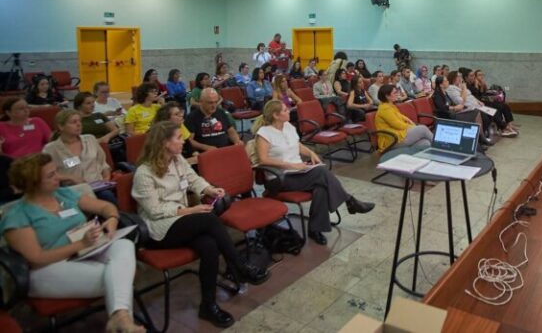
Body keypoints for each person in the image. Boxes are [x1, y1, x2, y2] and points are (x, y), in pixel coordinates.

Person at [132, 121, 269, 328]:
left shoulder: (177, 160)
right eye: (178, 138)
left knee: (209, 245)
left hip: (179, 220)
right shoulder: (144, 173)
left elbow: (194, 180)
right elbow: (154, 211)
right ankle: (239, 267)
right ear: (164, 143)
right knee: (207, 218)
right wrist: (190, 210)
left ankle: (208, 305)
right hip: (157, 229)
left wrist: (209, 190)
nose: (183, 141)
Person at [0, 153, 142, 332]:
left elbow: (105, 207)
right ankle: (122, 318)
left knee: (124, 245)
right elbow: (37, 258)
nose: (58, 177)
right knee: (120, 275)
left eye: (56, 172)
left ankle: (119, 318)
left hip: (84, 253)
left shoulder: (64, 194)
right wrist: (80, 244)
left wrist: (112, 218)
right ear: (33, 183)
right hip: (46, 269)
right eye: (51, 175)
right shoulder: (18, 216)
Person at [253, 100, 375, 245]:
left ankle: (315, 229)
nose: (289, 111)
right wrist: (291, 165)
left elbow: (296, 145)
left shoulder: (288, 127)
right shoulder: (264, 133)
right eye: (285, 110)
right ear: (275, 115)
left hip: (298, 172)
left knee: (321, 188)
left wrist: (311, 152)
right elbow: (263, 160)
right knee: (321, 172)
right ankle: (349, 201)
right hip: (278, 178)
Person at [43, 110, 117, 204]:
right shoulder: (51, 149)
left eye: (79, 121)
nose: (78, 124)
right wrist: (68, 177)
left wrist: (106, 177)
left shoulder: (90, 139)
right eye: (74, 122)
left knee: (107, 196)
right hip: (73, 191)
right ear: (61, 126)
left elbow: (102, 163)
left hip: (98, 186)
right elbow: (46, 174)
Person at [432, 75, 491, 147]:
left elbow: (451, 103)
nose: (448, 82)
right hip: (448, 116)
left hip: (454, 112)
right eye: (446, 81)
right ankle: (480, 140)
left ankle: (480, 138)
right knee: (475, 114)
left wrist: (459, 107)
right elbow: (442, 108)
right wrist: (454, 108)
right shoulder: (437, 94)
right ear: (441, 84)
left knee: (476, 112)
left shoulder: (445, 92)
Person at [374, 85, 433, 151]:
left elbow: (401, 116)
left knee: (425, 143)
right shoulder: (384, 109)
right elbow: (398, 125)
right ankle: (443, 146)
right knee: (423, 129)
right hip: (392, 140)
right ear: (387, 96)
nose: (397, 94)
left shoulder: (390, 105)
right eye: (395, 93)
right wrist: (412, 126)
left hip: (400, 134)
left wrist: (409, 121)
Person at [472, 69, 518, 135]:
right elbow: (478, 96)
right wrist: (478, 86)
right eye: (479, 75)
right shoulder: (474, 84)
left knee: (504, 105)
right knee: (497, 108)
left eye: (482, 75)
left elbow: (485, 93)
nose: (481, 76)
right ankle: (503, 128)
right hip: (481, 102)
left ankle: (510, 124)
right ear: (475, 76)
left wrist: (483, 86)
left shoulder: (482, 83)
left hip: (485, 100)